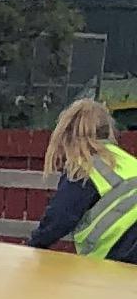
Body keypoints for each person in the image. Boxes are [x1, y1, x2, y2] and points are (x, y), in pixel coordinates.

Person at [28, 96, 137, 263]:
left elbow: (60, 218)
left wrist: (34, 245)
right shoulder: (128, 161)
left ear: (67, 134)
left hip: (123, 255)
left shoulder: (84, 167)